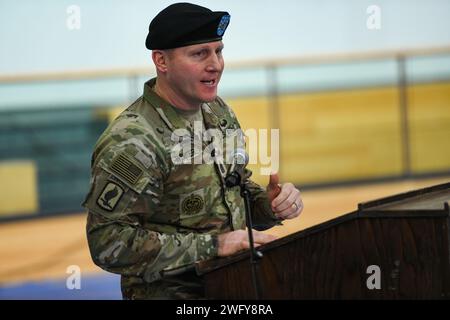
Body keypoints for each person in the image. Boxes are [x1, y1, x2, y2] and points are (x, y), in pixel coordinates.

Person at [83, 2, 303, 300]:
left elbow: (234, 193)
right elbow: (107, 242)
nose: (215, 64)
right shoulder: (134, 139)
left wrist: (268, 205)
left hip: (235, 285)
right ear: (162, 61)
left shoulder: (218, 112)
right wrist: (215, 246)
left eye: (219, 51)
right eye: (199, 53)